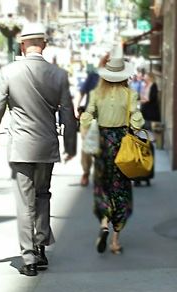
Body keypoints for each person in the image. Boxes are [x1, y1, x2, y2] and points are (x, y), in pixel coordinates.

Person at [0, 23, 77, 276]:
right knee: (43, 194)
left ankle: (29, 258)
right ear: (44, 44)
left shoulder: (9, 72)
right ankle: (42, 247)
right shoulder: (58, 74)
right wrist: (70, 145)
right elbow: (68, 114)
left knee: (25, 201)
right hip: (47, 145)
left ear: (22, 45)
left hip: (22, 147)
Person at [80, 45, 144, 254]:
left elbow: (87, 116)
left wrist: (84, 124)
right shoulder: (129, 95)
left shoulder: (96, 93)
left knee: (103, 186)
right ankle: (115, 241)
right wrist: (136, 125)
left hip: (102, 144)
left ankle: (103, 224)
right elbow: (136, 120)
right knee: (120, 189)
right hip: (122, 144)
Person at [77, 55, 109, 186]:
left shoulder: (116, 80)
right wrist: (76, 106)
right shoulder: (93, 77)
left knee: (103, 148)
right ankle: (85, 172)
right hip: (89, 118)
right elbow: (82, 92)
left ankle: (101, 174)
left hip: (107, 119)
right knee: (86, 148)